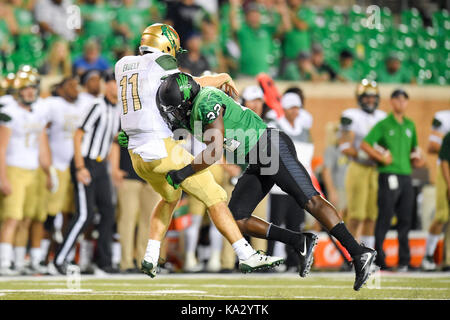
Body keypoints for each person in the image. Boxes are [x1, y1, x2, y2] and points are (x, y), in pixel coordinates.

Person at [150, 72, 378, 290]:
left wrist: (183, 173)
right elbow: (211, 82)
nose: (172, 114)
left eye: (174, 109)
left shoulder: (205, 102)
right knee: (236, 217)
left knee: (311, 202)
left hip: (270, 147)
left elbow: (214, 150)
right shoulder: (195, 98)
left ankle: (358, 252)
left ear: (186, 101)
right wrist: (136, 137)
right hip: (257, 157)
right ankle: (301, 242)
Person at [115, 23, 283, 278]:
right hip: (162, 149)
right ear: (166, 44)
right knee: (215, 196)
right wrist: (222, 78)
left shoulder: (122, 65)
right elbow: (188, 84)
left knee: (170, 198)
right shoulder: (159, 63)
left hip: (136, 154)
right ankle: (246, 254)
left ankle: (150, 255)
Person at [53, 71, 121, 275]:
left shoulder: (117, 109)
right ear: (106, 85)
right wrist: (80, 167)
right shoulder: (97, 106)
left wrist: (113, 168)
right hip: (86, 162)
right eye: (112, 83)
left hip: (100, 165)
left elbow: (113, 142)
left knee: (108, 212)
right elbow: (78, 134)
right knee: (84, 214)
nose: (116, 88)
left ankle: (105, 262)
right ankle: (60, 259)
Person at [361, 89, 425, 271]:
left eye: (404, 100)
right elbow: (365, 144)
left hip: (406, 176)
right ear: (391, 102)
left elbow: (414, 150)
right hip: (388, 174)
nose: (401, 103)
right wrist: (380, 158)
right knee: (385, 217)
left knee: (406, 219)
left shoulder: (410, 125)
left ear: (407, 102)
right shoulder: (384, 124)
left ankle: (404, 260)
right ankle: (380, 259)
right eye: (397, 99)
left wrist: (418, 159)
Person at [0, 70, 51, 275]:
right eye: (25, 89)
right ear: (17, 92)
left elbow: (42, 144)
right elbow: (1, 148)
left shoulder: (38, 112)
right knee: (12, 218)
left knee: (26, 219)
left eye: (32, 88)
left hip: (33, 170)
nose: (30, 92)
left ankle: (19, 261)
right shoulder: (9, 112)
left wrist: (48, 172)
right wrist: (2, 176)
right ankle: (4, 261)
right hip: (14, 168)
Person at [338, 79, 386, 250]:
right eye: (366, 97)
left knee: (371, 216)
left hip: (376, 170)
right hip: (358, 167)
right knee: (356, 215)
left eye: (373, 97)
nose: (370, 100)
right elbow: (344, 146)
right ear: (359, 98)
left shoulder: (383, 117)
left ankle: (368, 252)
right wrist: (367, 153)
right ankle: (350, 253)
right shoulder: (351, 115)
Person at [110, 141, 162, 273]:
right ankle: (126, 262)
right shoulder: (127, 119)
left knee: (150, 221)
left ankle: (143, 261)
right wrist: (114, 168)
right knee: (127, 220)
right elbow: (116, 142)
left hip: (152, 175)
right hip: (129, 174)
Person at [229, 0, 290, 76]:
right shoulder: (243, 29)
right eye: (251, 14)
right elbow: (233, 24)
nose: (254, 17)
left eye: (256, 14)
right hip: (245, 73)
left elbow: (286, 28)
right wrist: (234, 6)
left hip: (264, 74)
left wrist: (283, 14)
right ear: (246, 16)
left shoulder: (267, 29)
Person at [422, 109, 450, 271]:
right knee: (441, 215)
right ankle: (428, 254)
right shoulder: (443, 117)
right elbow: (432, 146)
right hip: (445, 168)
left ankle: (447, 259)